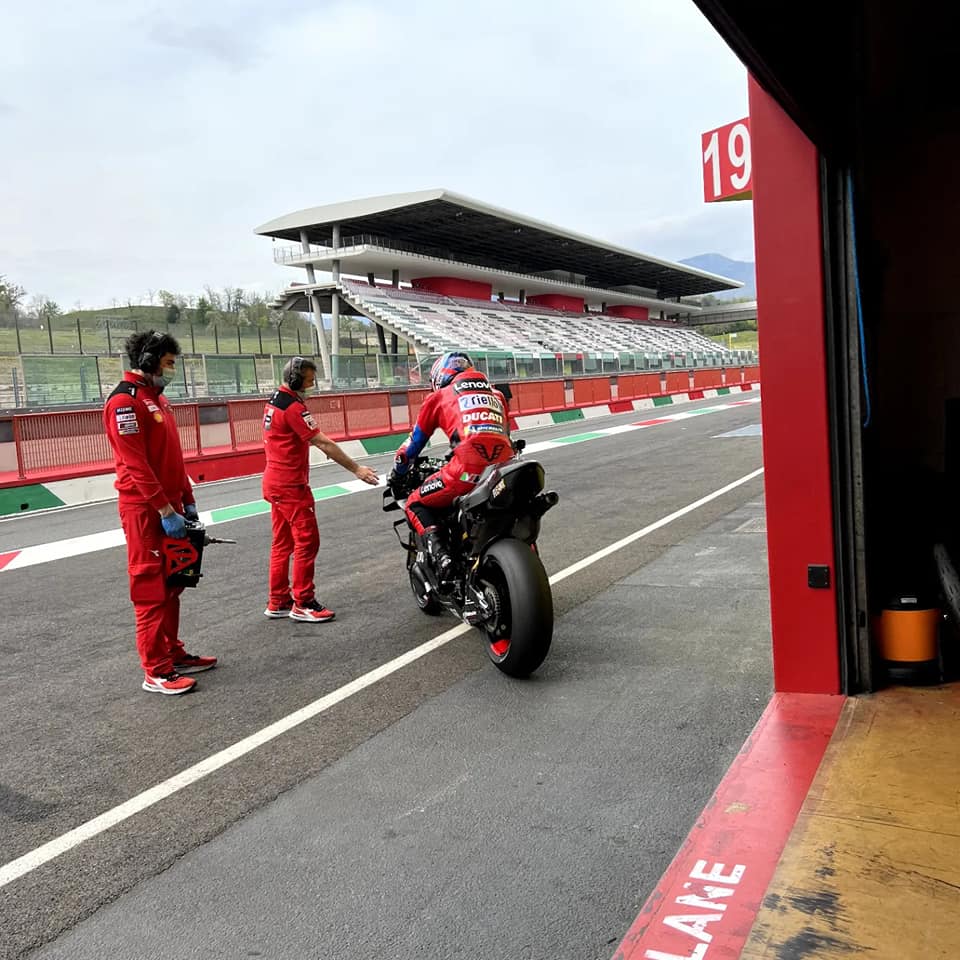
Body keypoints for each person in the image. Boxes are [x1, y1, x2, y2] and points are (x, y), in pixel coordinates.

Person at [103, 330, 217, 696]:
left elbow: (173, 456)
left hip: (172, 505)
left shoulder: (158, 400)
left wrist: (187, 499)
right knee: (151, 588)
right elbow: (136, 464)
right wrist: (165, 509)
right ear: (148, 361)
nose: (171, 370)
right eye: (167, 363)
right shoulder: (125, 402)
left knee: (174, 583)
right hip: (145, 510)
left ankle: (171, 652)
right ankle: (155, 670)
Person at [262, 356, 379, 622]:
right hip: (291, 486)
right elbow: (323, 443)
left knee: (282, 543)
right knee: (307, 541)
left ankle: (278, 600)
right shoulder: (293, 408)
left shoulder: (274, 400)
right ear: (295, 380)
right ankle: (303, 602)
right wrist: (356, 469)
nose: (311, 386)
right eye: (309, 381)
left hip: (275, 481)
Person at [389, 352, 513, 584]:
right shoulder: (496, 395)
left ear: (439, 376)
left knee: (414, 503)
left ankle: (444, 559)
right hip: (504, 468)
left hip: (467, 472)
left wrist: (397, 474)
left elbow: (410, 449)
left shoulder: (438, 397)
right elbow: (506, 435)